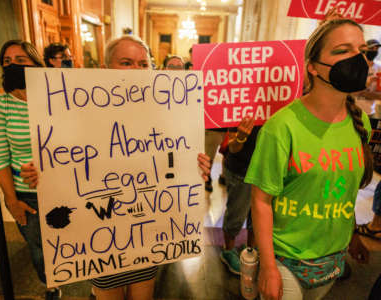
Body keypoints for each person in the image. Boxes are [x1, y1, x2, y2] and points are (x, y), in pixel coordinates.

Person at [20, 35, 211, 300]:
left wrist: (195, 167)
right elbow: (65, 157)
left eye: (143, 63)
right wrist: (43, 173)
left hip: (147, 230)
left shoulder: (166, 111)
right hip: (103, 235)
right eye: (126, 62)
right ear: (106, 68)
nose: (136, 69)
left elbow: (174, 157)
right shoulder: (79, 110)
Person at [245, 19, 372, 300]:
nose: (358, 58)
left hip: (332, 259)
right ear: (312, 66)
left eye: (362, 50)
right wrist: (268, 268)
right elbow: (261, 200)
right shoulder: (282, 127)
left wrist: (352, 235)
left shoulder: (360, 121)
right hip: (286, 259)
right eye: (343, 50)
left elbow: (341, 190)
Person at [0, 40, 62, 299]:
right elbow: (1, 157)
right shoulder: (0, 104)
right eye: (7, 61)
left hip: (65, 186)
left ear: (35, 64)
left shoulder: (57, 96)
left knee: (76, 240)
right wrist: (11, 200)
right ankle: (51, 286)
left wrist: (50, 168)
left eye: (20, 60)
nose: (13, 65)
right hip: (26, 194)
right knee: (40, 248)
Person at [219, 116, 260, 275]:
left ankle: (251, 250)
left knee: (257, 217)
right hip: (241, 171)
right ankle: (228, 250)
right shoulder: (243, 104)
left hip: (264, 173)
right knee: (236, 214)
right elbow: (233, 147)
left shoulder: (277, 105)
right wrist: (241, 136)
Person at [355, 39, 381, 117]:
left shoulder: (379, 68)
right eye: (372, 48)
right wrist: (366, 85)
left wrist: (361, 92)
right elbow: (349, 92)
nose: (374, 51)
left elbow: (380, 96)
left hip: (370, 112)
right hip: (353, 111)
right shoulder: (355, 67)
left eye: (376, 49)